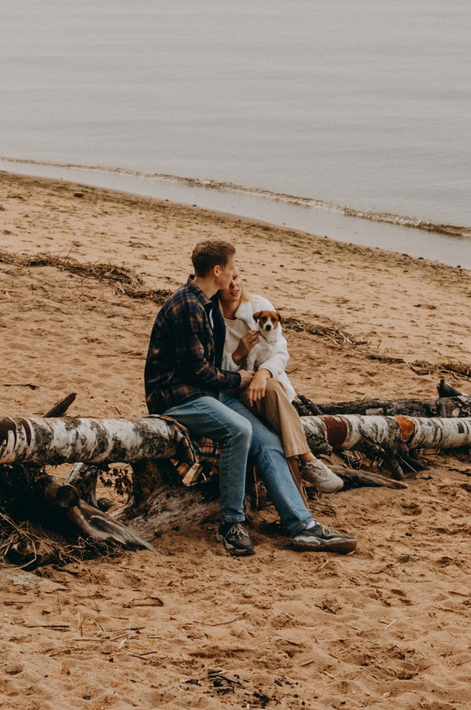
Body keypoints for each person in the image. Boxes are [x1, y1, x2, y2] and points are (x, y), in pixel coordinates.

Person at [144, 239, 356, 558]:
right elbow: (194, 370)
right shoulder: (188, 306)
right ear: (217, 271)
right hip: (176, 395)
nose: (235, 275)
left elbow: (212, 367)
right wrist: (238, 378)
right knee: (239, 431)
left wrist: (244, 375)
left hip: (207, 392)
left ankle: (302, 526)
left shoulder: (207, 303)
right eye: (232, 268)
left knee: (268, 442)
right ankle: (232, 524)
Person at [216, 270, 347, 494]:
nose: (234, 285)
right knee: (276, 430)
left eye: (236, 278)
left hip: (265, 385)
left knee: (273, 391)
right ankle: (308, 460)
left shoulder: (261, 305)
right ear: (215, 283)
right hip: (232, 388)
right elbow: (214, 371)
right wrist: (238, 355)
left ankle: (302, 493)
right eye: (227, 281)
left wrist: (263, 373)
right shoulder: (211, 317)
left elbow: (281, 352)